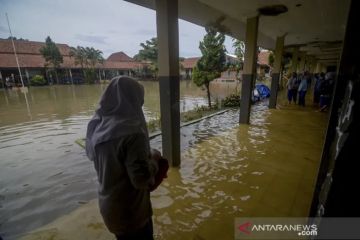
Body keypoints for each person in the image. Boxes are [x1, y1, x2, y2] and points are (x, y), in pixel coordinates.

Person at [85, 76, 168, 239]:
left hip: (109, 207)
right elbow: (141, 179)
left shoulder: (97, 127)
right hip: (131, 211)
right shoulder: (132, 132)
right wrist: (155, 160)